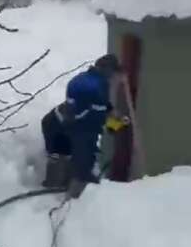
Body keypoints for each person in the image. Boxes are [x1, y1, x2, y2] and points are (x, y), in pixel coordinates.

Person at [40, 53, 128, 196]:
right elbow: (91, 124)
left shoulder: (87, 79)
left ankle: (62, 188)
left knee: (71, 161)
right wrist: (115, 126)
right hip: (60, 128)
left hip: (57, 122)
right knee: (73, 164)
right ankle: (56, 198)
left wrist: (113, 117)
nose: (116, 80)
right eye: (115, 75)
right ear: (108, 72)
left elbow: (97, 110)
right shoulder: (97, 87)